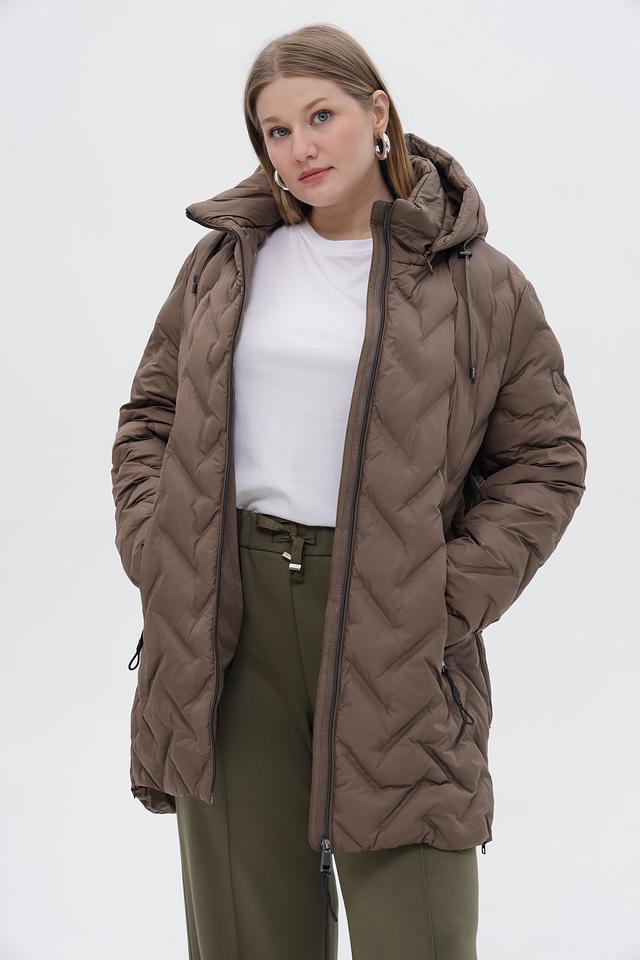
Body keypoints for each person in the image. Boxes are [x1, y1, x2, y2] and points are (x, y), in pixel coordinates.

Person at [110, 22, 587, 960]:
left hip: (396, 627)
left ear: (377, 113)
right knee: (246, 936)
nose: (301, 147)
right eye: (276, 131)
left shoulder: (481, 286)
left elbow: (545, 460)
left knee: (419, 933)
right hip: (228, 623)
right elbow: (150, 419)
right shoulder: (225, 265)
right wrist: (161, 551)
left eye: (320, 116)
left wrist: (442, 596)